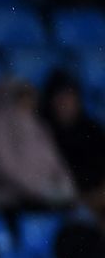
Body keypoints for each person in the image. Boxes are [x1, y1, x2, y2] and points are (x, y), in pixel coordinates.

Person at [0, 78, 76, 214]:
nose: (28, 104)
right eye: (21, 99)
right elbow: (4, 170)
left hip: (35, 197)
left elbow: (55, 162)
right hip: (2, 200)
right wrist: (38, 190)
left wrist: (66, 187)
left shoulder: (38, 127)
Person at [41, 70, 105, 211]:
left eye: (70, 96)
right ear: (50, 100)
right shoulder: (42, 131)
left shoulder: (92, 129)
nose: (65, 102)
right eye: (60, 97)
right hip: (61, 200)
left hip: (95, 195)